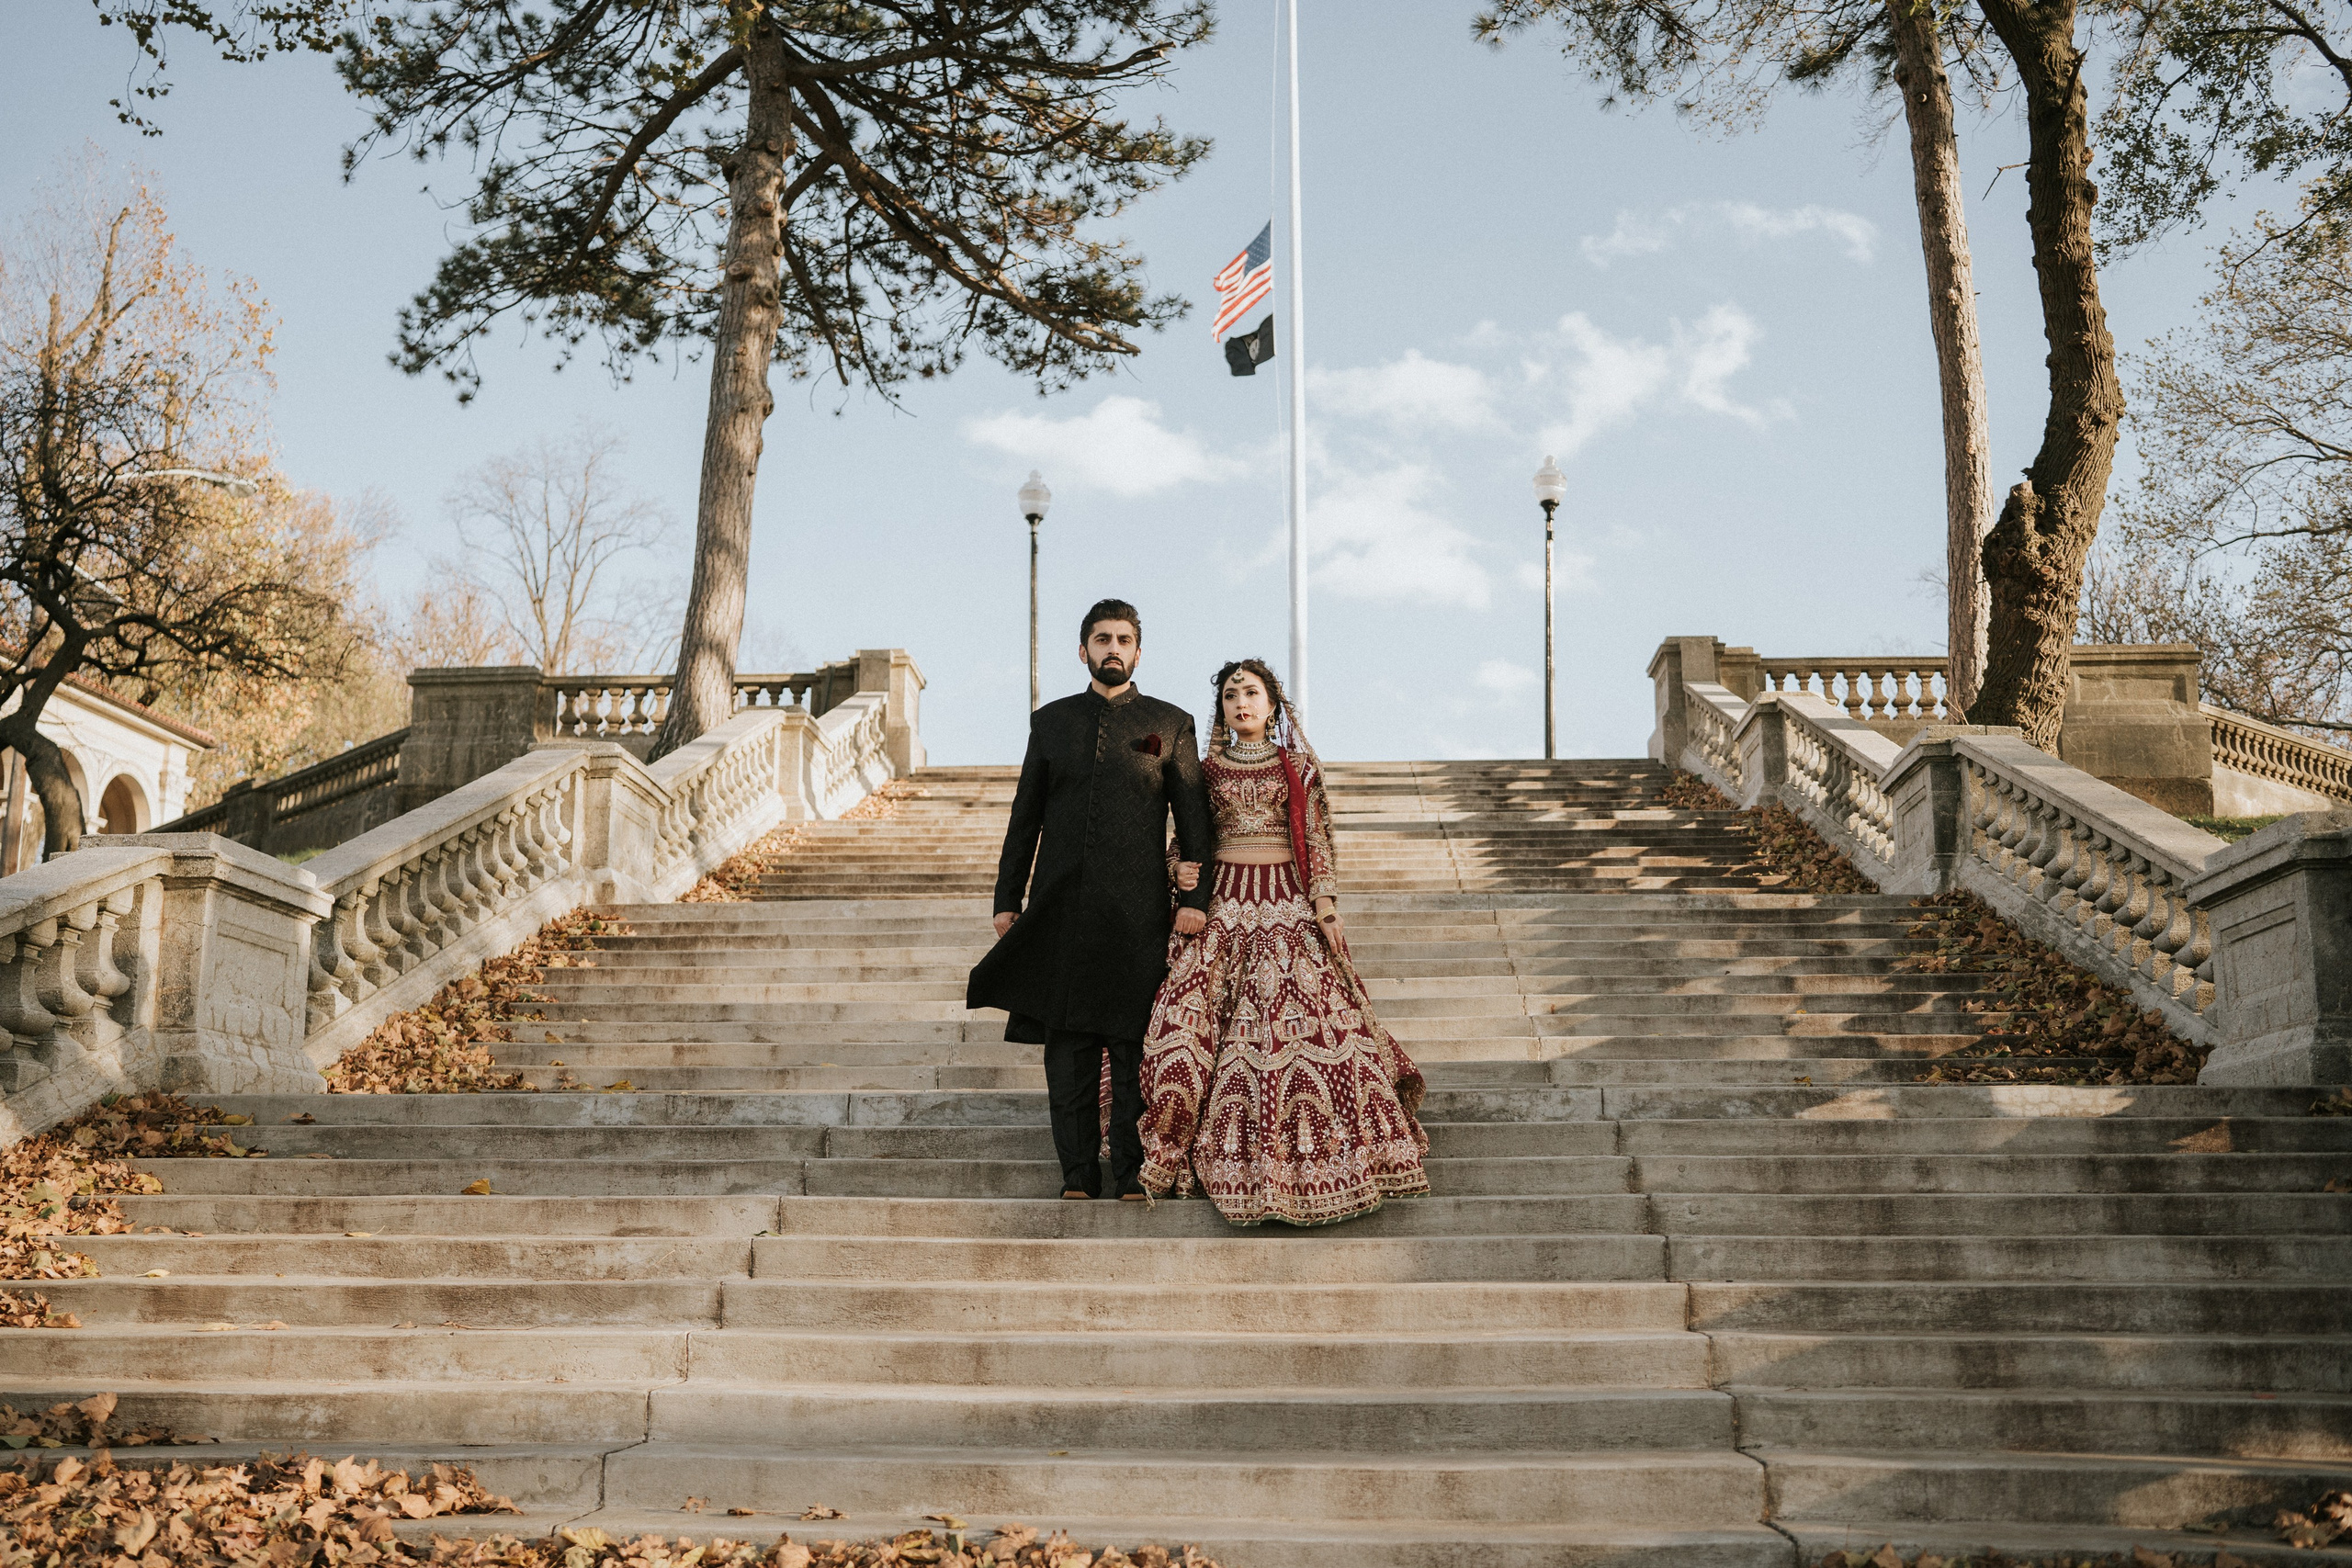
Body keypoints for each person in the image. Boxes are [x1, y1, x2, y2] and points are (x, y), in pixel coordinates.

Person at [1137, 658, 1430, 1226]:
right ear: (1220, 708)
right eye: (1229, 695)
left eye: (1250, 693)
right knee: (1186, 1027)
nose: (1239, 703)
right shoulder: (1202, 769)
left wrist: (1324, 904)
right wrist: (1179, 872)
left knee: (1308, 1029)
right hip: (1221, 908)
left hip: (1288, 908)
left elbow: (1315, 836)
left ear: (1273, 704)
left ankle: (1330, 1161)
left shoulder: (1297, 767)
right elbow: (1188, 837)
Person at [967, 598, 1216, 1201]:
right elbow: (1024, 817)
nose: (1112, 648)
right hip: (1061, 908)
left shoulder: (1170, 722)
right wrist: (1008, 896)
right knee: (1069, 1045)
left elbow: (1196, 824)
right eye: (1101, 638)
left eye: (1123, 639)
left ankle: (1130, 1172)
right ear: (1083, 650)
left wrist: (1197, 895)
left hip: (1139, 914)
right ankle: (1077, 1173)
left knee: (1132, 1045)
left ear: (1137, 651)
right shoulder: (1050, 723)